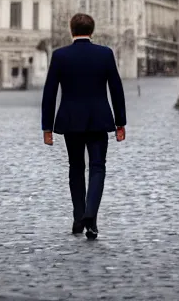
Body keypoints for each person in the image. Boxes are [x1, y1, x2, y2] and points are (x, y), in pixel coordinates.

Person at [41, 13, 126, 240]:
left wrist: (46, 127)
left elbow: (49, 93)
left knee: (76, 168)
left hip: (71, 121)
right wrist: (120, 123)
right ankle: (91, 216)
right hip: (99, 119)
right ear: (92, 30)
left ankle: (79, 218)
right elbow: (116, 90)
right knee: (98, 168)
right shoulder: (105, 54)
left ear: (71, 30)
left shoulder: (60, 56)